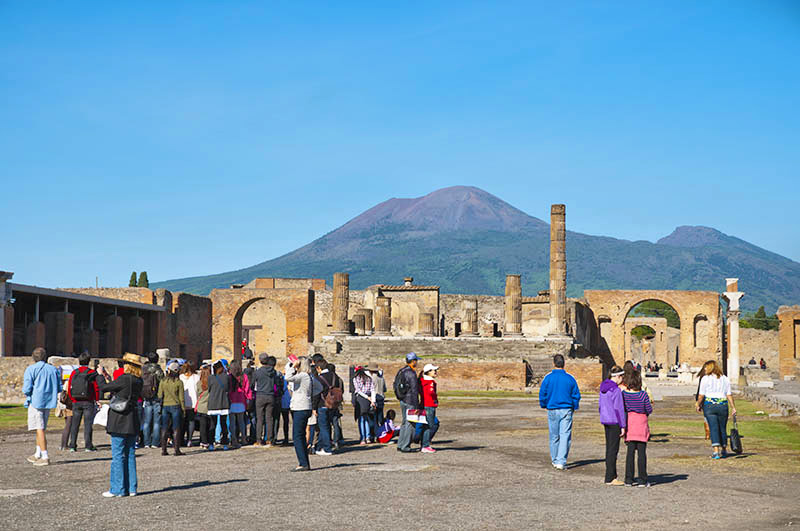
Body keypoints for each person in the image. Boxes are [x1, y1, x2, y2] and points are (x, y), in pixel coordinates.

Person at [98, 353, 144, 497]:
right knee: (130, 454)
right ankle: (131, 488)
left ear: (128, 366)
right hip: (132, 419)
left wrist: (100, 375)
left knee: (118, 455)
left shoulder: (124, 379)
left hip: (120, 419)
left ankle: (117, 489)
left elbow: (104, 388)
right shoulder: (138, 381)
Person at [538, 354, 581, 470]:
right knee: (565, 435)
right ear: (564, 364)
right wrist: (574, 406)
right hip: (566, 409)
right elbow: (576, 395)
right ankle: (561, 461)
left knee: (554, 436)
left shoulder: (548, 378)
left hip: (552, 408)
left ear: (554, 363)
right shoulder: (570, 378)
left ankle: (555, 459)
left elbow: (543, 394)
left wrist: (544, 404)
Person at [23, 347, 61, 466]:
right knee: (41, 428)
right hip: (49, 402)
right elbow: (59, 386)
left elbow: (26, 388)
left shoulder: (31, 369)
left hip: (36, 402)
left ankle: (45, 456)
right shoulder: (53, 370)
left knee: (39, 428)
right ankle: (37, 453)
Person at [695, 359, 736, 459]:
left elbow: (701, 395)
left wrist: (698, 404)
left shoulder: (705, 379)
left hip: (710, 405)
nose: (704, 369)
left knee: (713, 427)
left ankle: (716, 451)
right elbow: (729, 394)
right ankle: (724, 449)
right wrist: (733, 407)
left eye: (706, 367)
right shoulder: (725, 379)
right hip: (722, 404)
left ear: (710, 368)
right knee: (722, 428)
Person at [622, 369, 652, 487]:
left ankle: (628, 479)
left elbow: (622, 408)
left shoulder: (624, 395)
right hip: (641, 424)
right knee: (641, 454)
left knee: (630, 454)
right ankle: (642, 480)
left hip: (630, 424)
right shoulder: (643, 395)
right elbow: (649, 409)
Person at [67, 351, 101, 452]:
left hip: (76, 401)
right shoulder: (91, 373)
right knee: (88, 424)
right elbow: (96, 388)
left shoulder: (74, 372)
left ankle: (72, 445)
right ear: (89, 361)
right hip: (88, 401)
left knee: (75, 424)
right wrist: (96, 399)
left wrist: (72, 399)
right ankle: (88, 445)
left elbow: (70, 387)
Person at [599, 365, 626, 485]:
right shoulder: (615, 390)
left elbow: (600, 406)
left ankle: (610, 475)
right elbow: (619, 409)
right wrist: (623, 425)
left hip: (605, 419)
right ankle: (610, 477)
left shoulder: (603, 388)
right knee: (613, 450)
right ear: (618, 376)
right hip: (614, 421)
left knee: (609, 449)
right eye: (622, 377)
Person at [286, 356, 313, 471]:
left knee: (297, 436)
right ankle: (304, 462)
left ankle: (303, 463)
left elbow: (287, 377)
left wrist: (293, 366)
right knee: (300, 436)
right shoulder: (307, 377)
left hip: (301, 408)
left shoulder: (303, 376)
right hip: (303, 406)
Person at [395, 352, 422, 453]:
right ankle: (405, 445)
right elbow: (414, 390)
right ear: (413, 361)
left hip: (403, 399)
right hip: (410, 400)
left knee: (404, 422)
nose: (417, 362)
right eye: (416, 360)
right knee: (410, 423)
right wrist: (417, 406)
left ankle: (401, 444)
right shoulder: (411, 373)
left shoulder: (402, 371)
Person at [314, 357, 342, 456]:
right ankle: (320, 447)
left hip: (322, 404)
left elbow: (316, 395)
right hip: (334, 404)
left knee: (323, 427)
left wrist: (314, 408)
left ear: (318, 368)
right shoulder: (335, 376)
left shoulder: (319, 378)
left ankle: (327, 448)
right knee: (328, 426)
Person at [158, 361, 185, 456]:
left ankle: (163, 449)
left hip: (165, 406)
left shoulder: (163, 381)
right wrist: (183, 410)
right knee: (176, 428)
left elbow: (159, 395)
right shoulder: (179, 382)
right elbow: (181, 398)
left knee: (164, 428)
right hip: (176, 406)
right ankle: (176, 450)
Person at [253, 353, 280, 447]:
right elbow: (277, 383)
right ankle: (269, 439)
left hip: (260, 395)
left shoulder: (258, 372)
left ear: (260, 361)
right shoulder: (273, 372)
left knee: (260, 419)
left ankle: (259, 440)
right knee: (269, 419)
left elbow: (252, 384)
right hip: (271, 395)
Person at [140, 352, 164, 449]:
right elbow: (162, 382)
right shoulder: (158, 370)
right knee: (157, 422)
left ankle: (146, 443)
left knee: (146, 421)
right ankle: (155, 443)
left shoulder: (143, 369)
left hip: (146, 396)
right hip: (157, 397)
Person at [207, 360, 231, 451]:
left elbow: (209, 389)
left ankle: (211, 444)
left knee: (212, 425)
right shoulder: (226, 377)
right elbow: (228, 388)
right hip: (223, 402)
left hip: (213, 402)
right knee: (223, 424)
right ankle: (225, 443)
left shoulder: (211, 378)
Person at [228, 360, 251, 448]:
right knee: (242, 422)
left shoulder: (230, 377)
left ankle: (234, 439)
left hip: (232, 401)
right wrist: (248, 398)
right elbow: (247, 389)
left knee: (232, 423)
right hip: (241, 400)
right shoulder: (244, 376)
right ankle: (244, 439)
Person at [420, 364, 440, 453]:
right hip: (430, 405)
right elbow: (431, 393)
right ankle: (425, 445)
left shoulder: (422, 380)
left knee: (425, 425)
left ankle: (424, 443)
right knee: (429, 425)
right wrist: (435, 399)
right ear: (428, 372)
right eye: (433, 370)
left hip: (424, 404)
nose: (435, 372)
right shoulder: (431, 382)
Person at [353, 366, 376, 445]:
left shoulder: (356, 379)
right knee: (366, 419)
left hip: (361, 399)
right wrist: (372, 400)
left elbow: (358, 391)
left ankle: (362, 438)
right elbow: (373, 390)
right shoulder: (369, 378)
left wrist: (367, 397)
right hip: (368, 400)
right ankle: (368, 437)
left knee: (361, 420)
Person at [179, 362, 199, 446]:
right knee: (191, 421)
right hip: (193, 403)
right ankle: (189, 440)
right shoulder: (196, 377)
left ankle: (181, 440)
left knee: (182, 422)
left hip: (182, 402)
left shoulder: (180, 377)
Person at [56, 366, 75, 451]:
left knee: (67, 425)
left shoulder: (63, 383)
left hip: (64, 405)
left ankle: (63, 444)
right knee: (68, 425)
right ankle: (64, 445)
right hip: (68, 406)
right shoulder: (68, 383)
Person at [195, 364, 212, 449]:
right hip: (210, 406)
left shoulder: (199, 383)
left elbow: (197, 393)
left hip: (201, 406)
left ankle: (203, 441)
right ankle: (208, 441)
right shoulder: (212, 382)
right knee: (210, 425)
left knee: (202, 426)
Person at [370, 362, 387, 428]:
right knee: (380, 415)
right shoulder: (382, 378)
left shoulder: (372, 378)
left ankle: (376, 431)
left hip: (375, 397)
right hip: (381, 397)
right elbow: (385, 389)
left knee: (374, 417)